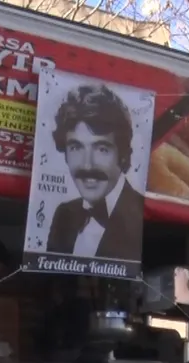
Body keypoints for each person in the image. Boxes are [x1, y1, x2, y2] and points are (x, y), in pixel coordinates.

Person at [46, 84, 146, 260]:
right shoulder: (63, 214)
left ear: (123, 155)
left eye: (101, 149)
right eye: (76, 147)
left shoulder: (141, 213)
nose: (87, 165)